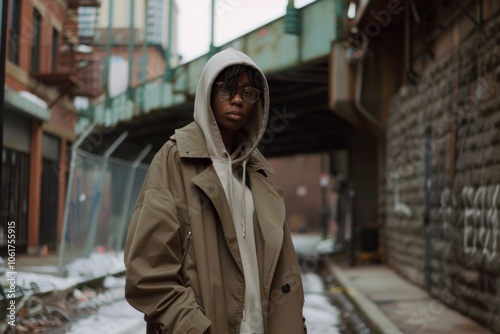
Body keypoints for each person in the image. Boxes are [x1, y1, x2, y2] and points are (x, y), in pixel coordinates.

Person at [124, 48, 306, 334]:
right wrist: (195, 328)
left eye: (248, 93)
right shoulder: (175, 159)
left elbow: (284, 273)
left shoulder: (260, 175)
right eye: (227, 90)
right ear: (208, 93)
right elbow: (147, 273)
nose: (237, 100)